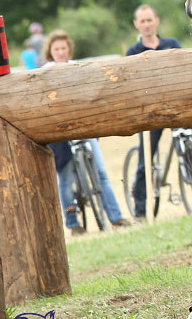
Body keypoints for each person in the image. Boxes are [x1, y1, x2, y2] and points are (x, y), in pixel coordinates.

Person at [43, 30, 130, 234]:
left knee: (101, 172)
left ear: (69, 49)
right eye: (56, 49)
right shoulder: (44, 72)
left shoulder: (78, 68)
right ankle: (73, 223)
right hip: (61, 131)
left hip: (83, 127)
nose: (61, 52)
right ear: (50, 51)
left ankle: (115, 217)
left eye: (64, 48)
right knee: (65, 176)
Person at [126, 5, 182, 219]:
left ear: (156, 21)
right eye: (142, 21)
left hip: (176, 107)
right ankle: (140, 210)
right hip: (150, 113)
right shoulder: (133, 52)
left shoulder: (172, 45)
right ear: (136, 24)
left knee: (188, 146)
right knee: (145, 160)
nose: (147, 25)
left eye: (150, 20)